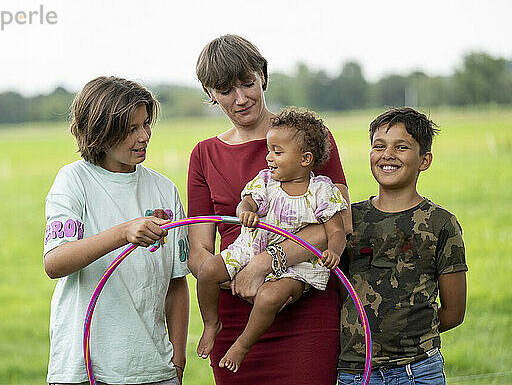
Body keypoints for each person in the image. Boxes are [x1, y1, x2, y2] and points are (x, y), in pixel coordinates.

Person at [188, 34, 352, 384]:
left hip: (302, 300)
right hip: (235, 312)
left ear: (262, 75)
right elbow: (198, 249)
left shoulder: (308, 137)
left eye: (248, 83)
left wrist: (265, 263)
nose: (241, 98)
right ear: (210, 94)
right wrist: (232, 277)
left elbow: (339, 225)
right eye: (226, 90)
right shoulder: (203, 155)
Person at [43, 76, 189, 385]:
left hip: (153, 369)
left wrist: (177, 360)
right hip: (84, 368)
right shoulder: (73, 181)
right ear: (101, 131)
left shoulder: (164, 189)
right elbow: (54, 263)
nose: (144, 136)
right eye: (131, 129)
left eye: (146, 124)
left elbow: (177, 284)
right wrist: (123, 233)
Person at [338, 108, 468, 385]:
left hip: (419, 370)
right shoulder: (348, 219)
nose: (388, 154)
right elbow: (337, 291)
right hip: (356, 372)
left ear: (424, 160)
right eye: (379, 146)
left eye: (402, 147)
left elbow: (454, 312)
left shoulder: (441, 223)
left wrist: (408, 338)